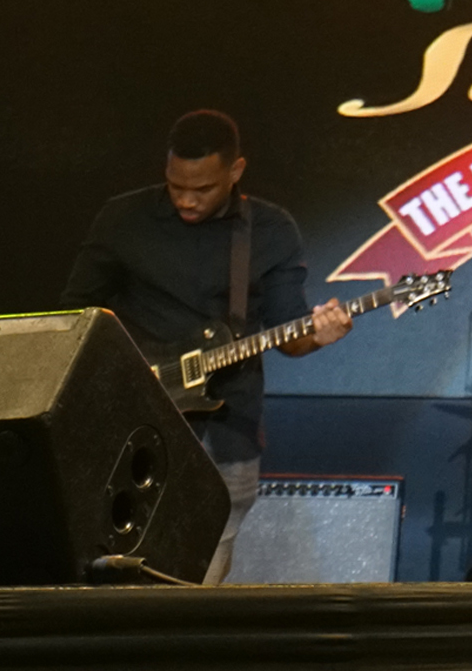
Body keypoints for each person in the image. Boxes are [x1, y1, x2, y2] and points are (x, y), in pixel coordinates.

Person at [59, 110, 352, 584]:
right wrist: (124, 373)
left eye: (203, 189)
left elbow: (290, 335)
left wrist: (320, 335)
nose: (186, 200)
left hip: (227, 426)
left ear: (236, 171)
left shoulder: (270, 230)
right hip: (134, 417)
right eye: (176, 186)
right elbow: (76, 315)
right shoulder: (123, 218)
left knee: (202, 569)